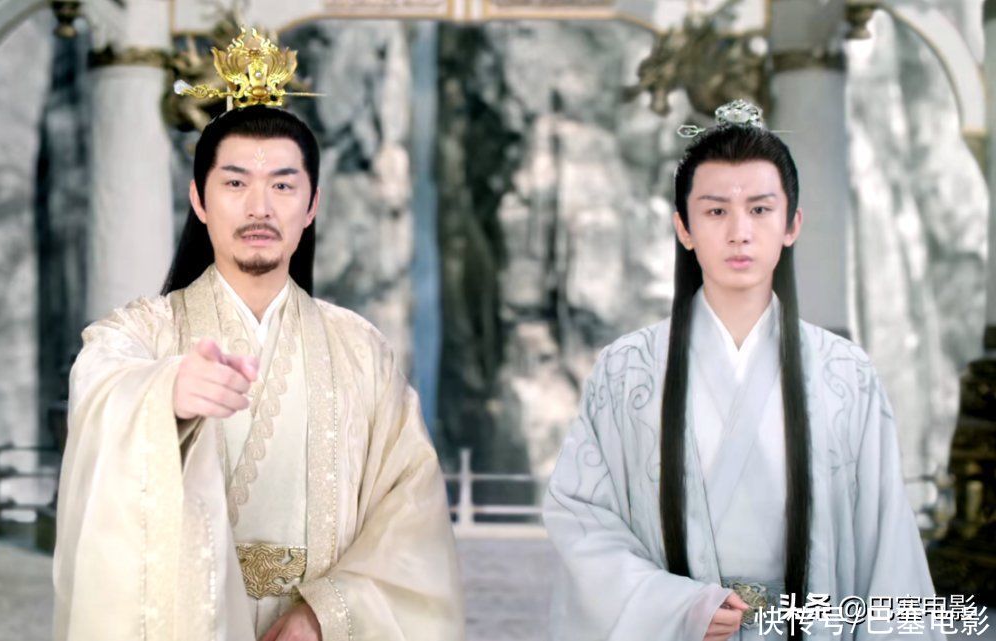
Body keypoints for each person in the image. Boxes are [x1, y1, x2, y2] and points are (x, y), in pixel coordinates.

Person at [53, 29, 464, 641]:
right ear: (199, 199)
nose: (260, 208)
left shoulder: (361, 351)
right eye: (235, 182)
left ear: (312, 204)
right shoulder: (142, 332)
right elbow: (99, 381)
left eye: (283, 185)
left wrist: (325, 613)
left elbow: (411, 506)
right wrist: (163, 395)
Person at [544, 101, 942, 641]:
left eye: (759, 210)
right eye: (715, 212)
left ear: (791, 224)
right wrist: (678, 607)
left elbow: (887, 545)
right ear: (683, 227)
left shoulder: (846, 376)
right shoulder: (626, 372)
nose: (739, 232)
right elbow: (582, 517)